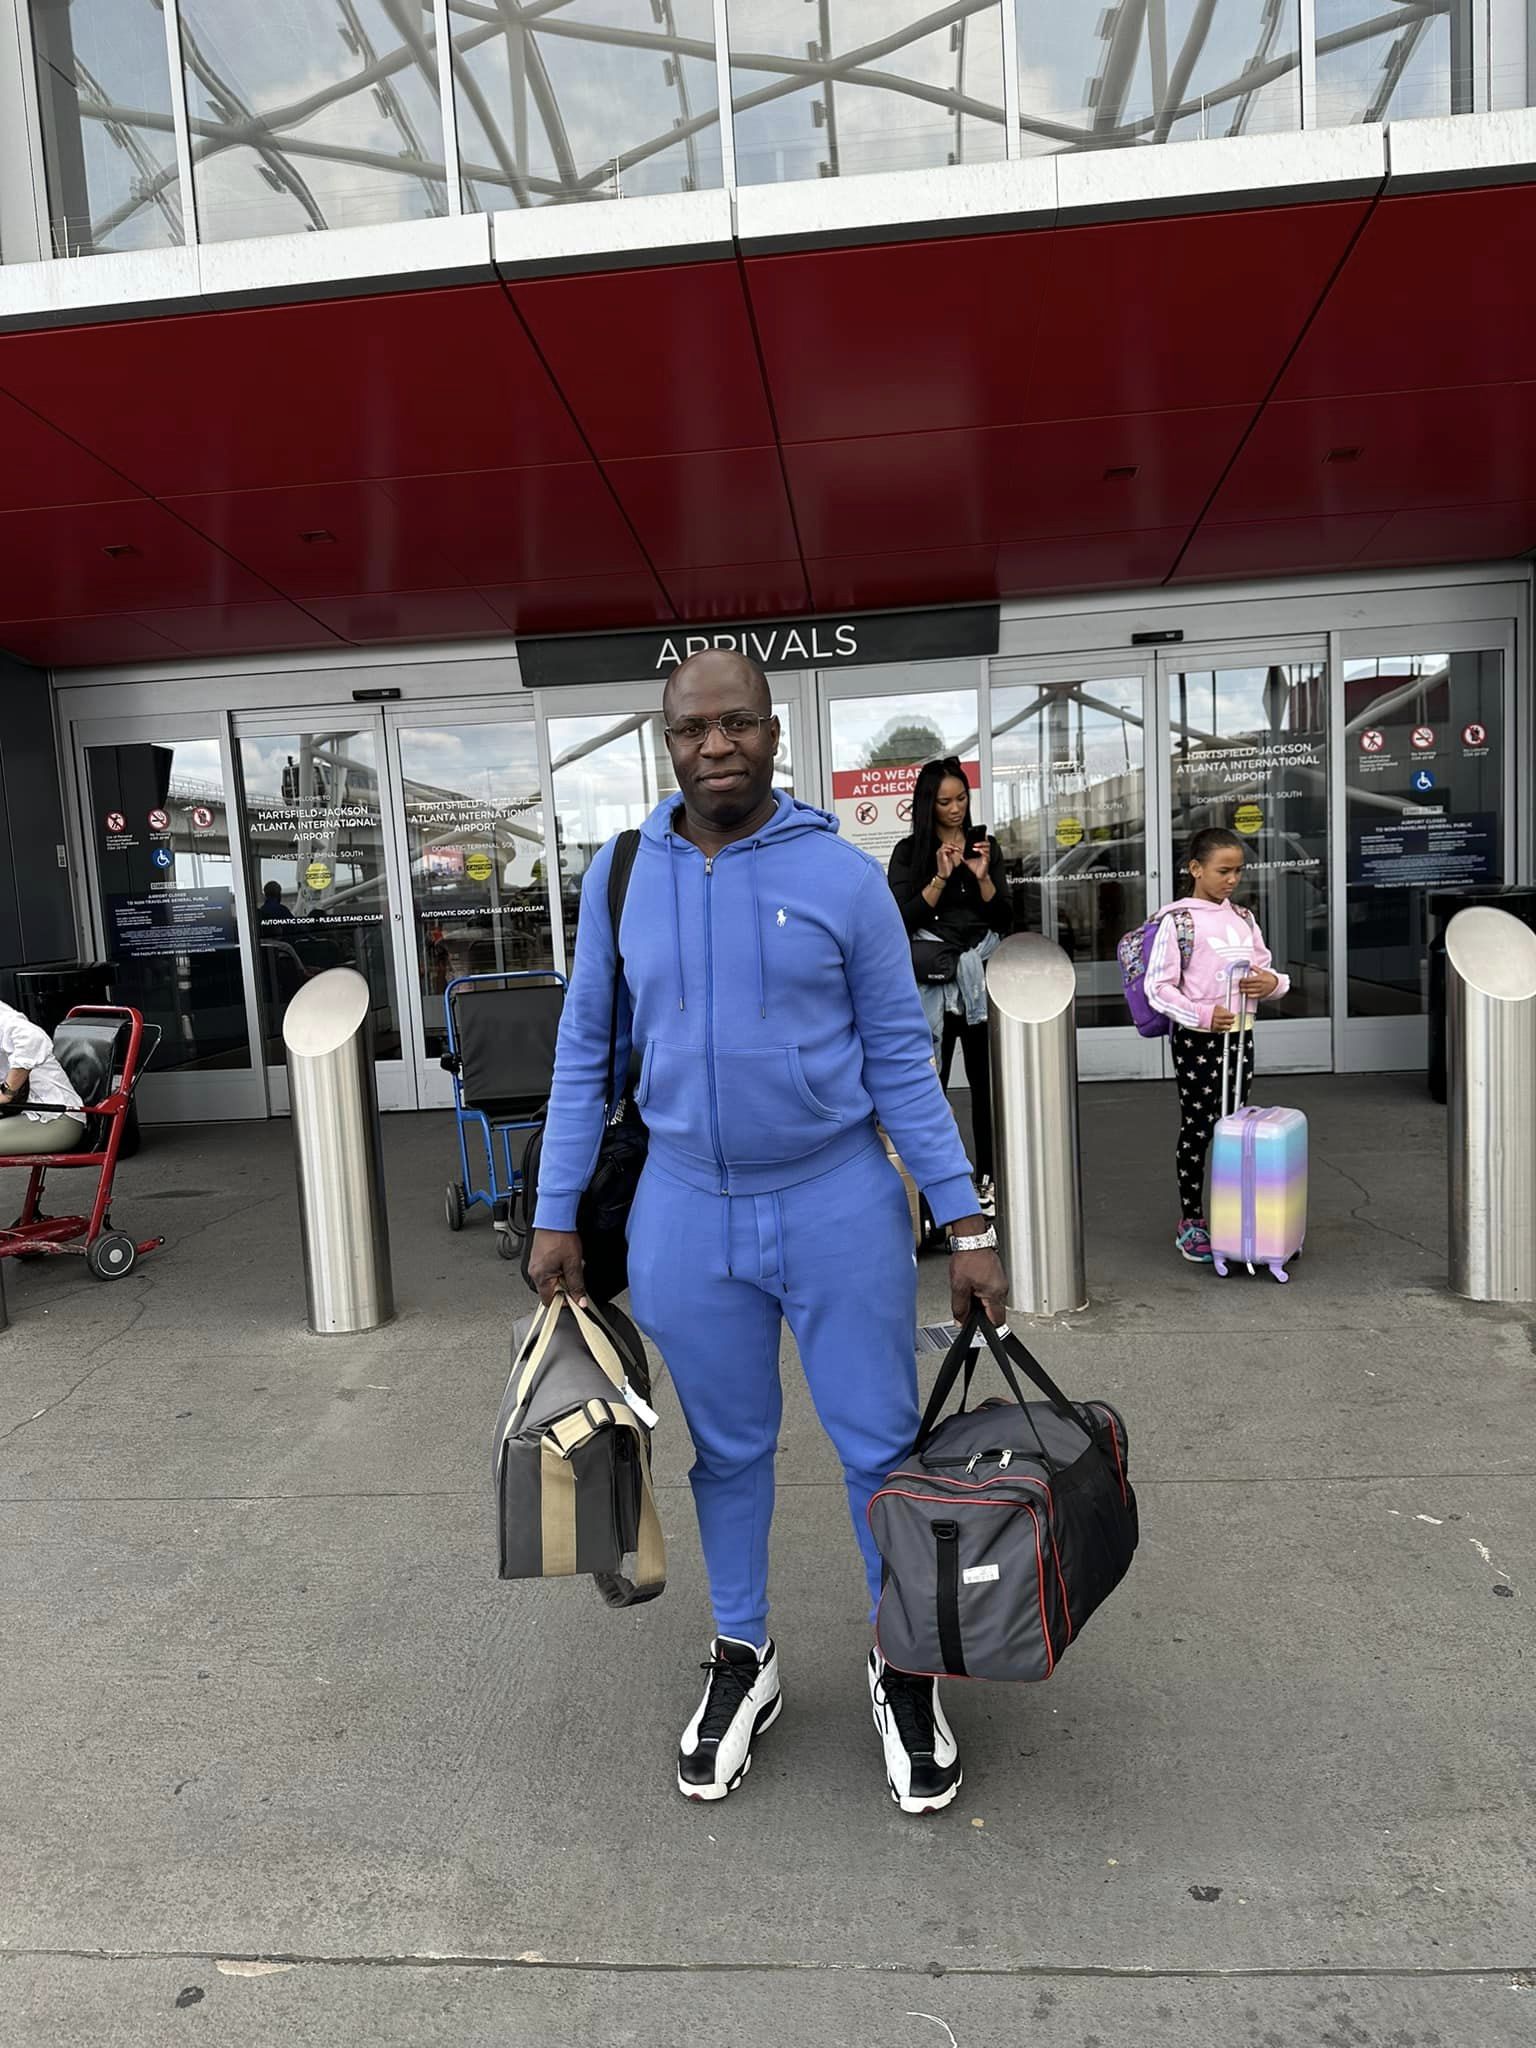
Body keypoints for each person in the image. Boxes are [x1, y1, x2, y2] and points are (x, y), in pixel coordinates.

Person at [529, 651, 1008, 1816]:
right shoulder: (622, 875)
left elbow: (901, 1059)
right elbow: (585, 1049)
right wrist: (553, 1208)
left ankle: (902, 1661)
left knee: (879, 1445)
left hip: (836, 1199)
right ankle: (743, 1651)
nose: (716, 745)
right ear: (666, 740)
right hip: (685, 1209)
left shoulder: (841, 878)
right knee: (727, 1451)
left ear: (773, 732)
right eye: (692, 728)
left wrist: (967, 1219)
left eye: (737, 722)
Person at [1143, 827, 1288, 1264]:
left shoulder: (1243, 918)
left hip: (1241, 1037)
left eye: (1238, 871)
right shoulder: (1178, 922)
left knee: (1236, 1126)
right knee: (1198, 1127)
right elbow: (1158, 988)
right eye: (1223, 871)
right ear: (1195, 869)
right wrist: (1202, 1015)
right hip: (1197, 1041)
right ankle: (1192, 1220)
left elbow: (1265, 970)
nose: (1232, 879)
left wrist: (1273, 984)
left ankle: (1233, 1215)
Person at [885, 758, 1012, 1212]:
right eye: (944, 802)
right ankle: (936, 1188)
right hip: (934, 983)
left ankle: (989, 1179)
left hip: (979, 979)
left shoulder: (985, 846)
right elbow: (901, 920)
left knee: (986, 1086)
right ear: (928, 805)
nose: (955, 809)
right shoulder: (909, 852)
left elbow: (1005, 918)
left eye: (961, 798)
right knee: (930, 1086)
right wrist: (940, 876)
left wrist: (983, 877)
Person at [0, 1001, 86, 1155]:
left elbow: (32, 1038)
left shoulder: (4, 1019)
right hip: (25, 1115)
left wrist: (7, 1092)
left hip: (55, 1119)